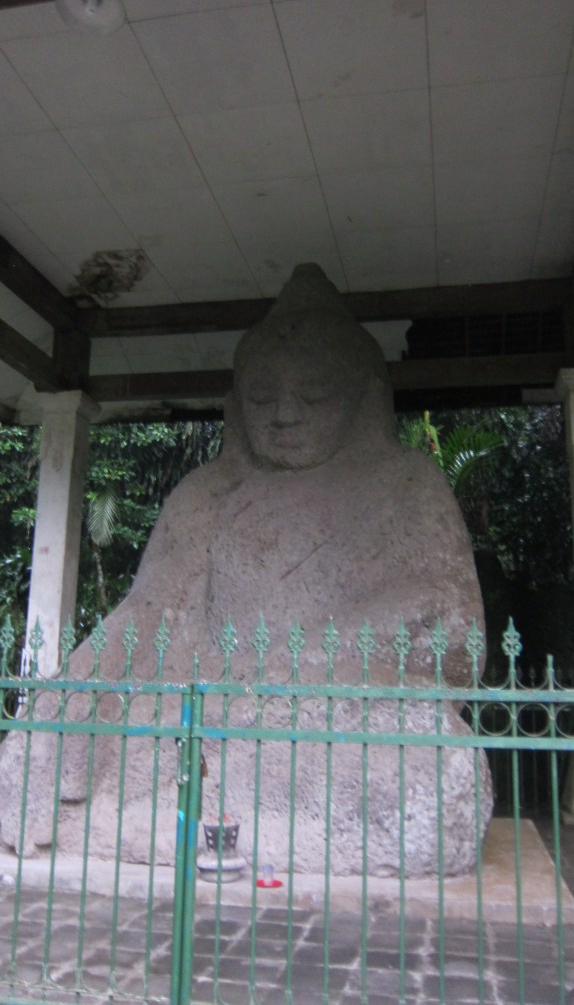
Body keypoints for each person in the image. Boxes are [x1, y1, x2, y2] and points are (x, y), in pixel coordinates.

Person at [0, 264, 491, 871]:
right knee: (81, 733)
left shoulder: (408, 486)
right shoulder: (206, 494)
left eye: (313, 395)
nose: (284, 415)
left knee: (433, 761)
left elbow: (454, 629)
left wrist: (303, 662)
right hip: (206, 704)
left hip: (326, 714)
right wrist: (76, 683)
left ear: (361, 394)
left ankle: (163, 828)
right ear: (237, 403)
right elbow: (149, 609)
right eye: (262, 397)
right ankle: (167, 825)